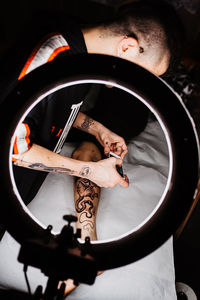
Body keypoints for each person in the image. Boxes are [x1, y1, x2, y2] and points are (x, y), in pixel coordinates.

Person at [2, 0, 183, 295]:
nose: (137, 86)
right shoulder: (50, 55)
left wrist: (97, 129)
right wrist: (90, 170)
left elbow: (49, 104)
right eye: (143, 75)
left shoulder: (82, 59)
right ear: (126, 47)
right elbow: (13, 147)